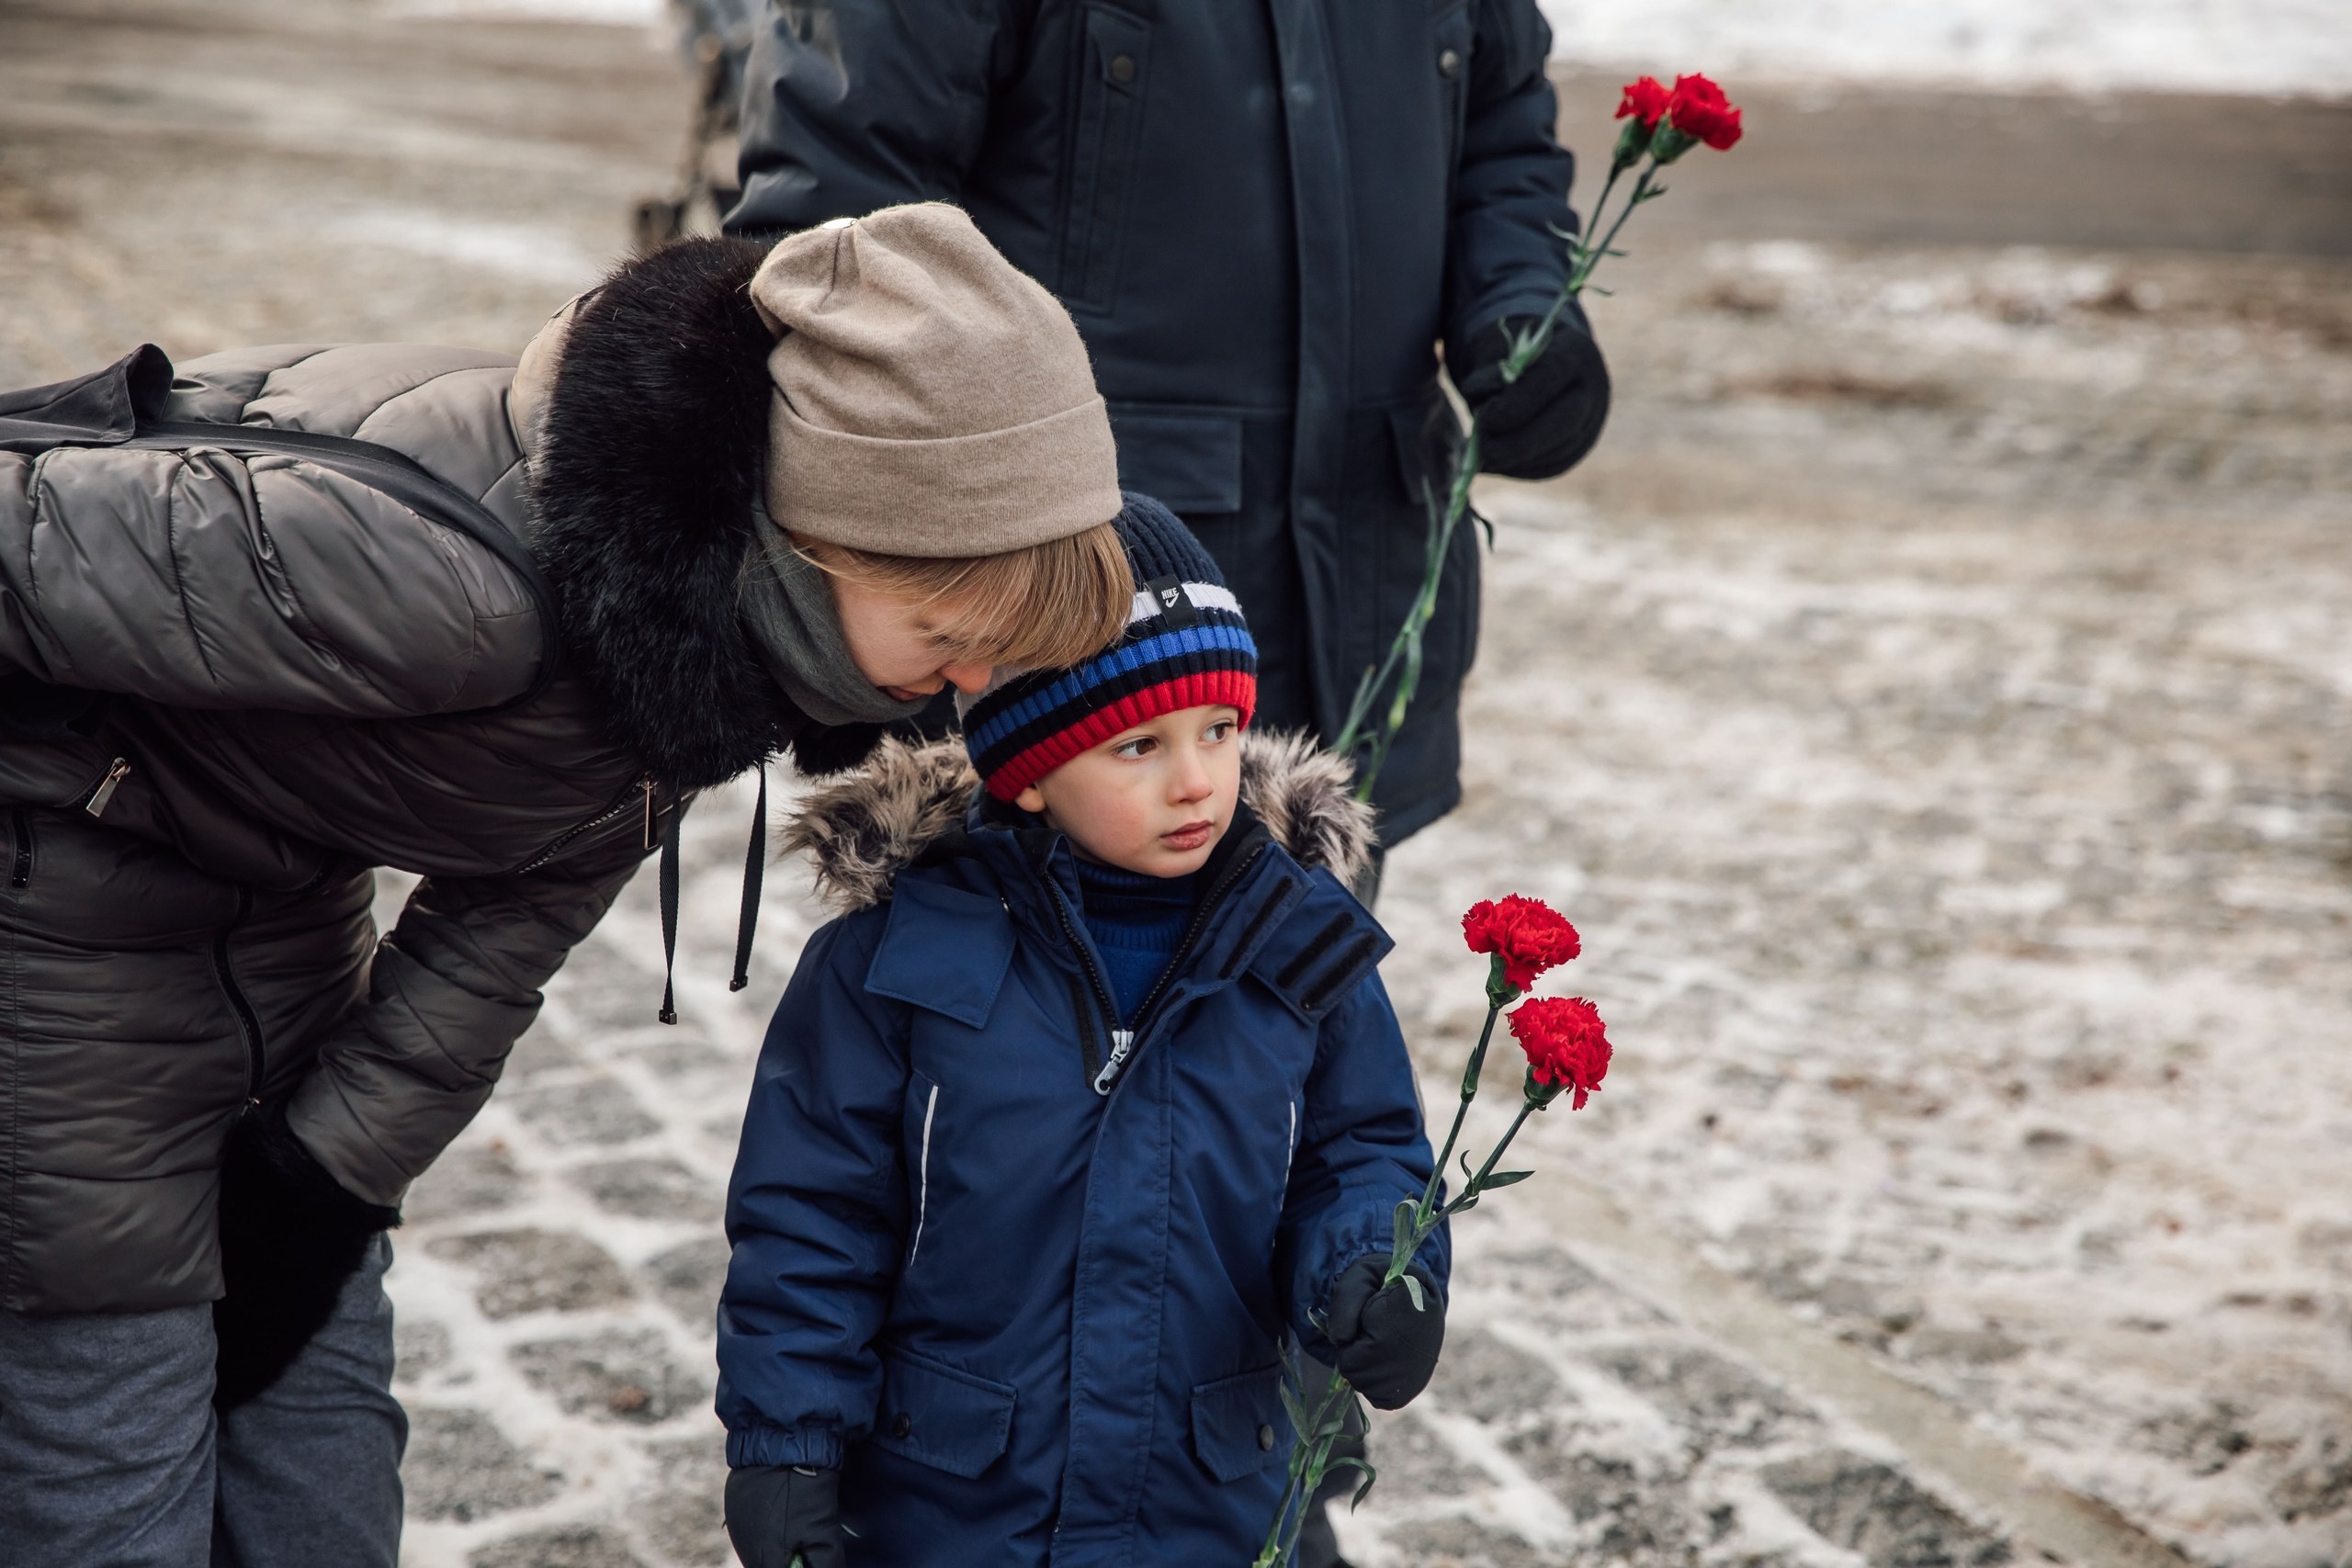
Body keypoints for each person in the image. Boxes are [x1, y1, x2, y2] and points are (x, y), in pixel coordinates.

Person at [0, 203, 1137, 1568]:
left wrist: (321, 1185)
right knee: (114, 1439)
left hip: (272, 900)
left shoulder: (713, 651)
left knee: (316, 1429)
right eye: (953, 636)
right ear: (822, 535)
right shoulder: (455, 588)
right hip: (55, 918)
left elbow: (501, 930)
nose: (966, 691)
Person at [716, 501, 1450, 1568]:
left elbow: (1365, 1153)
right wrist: (786, 1442)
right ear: (1029, 769)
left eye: (1218, 729)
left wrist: (1376, 1271)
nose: (1197, 779)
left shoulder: (1297, 948)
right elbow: (811, 1214)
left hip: (1207, 1498)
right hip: (954, 1504)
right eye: (1137, 745)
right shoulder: (896, 960)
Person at [727, 0, 1611, 852]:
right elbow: (836, 231)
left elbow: (1504, 131)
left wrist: (1523, 307)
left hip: (1363, 576)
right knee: (995, 990)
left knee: (1298, 978)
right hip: (1057, 630)